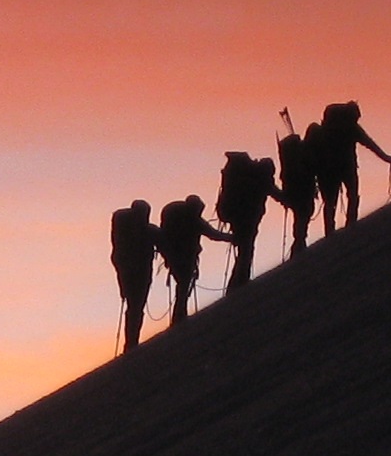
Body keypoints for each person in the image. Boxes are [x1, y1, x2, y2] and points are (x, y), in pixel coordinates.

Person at [314, 101, 391, 231]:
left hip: (329, 170)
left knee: (330, 202)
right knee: (352, 196)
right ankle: (351, 225)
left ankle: (330, 232)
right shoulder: (352, 128)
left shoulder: (326, 130)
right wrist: (386, 158)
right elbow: (370, 144)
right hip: (348, 167)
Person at [212, 150, 277, 295]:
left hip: (236, 216)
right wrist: (291, 201)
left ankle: (237, 285)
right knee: (246, 249)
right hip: (248, 218)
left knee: (244, 249)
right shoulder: (261, 178)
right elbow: (276, 194)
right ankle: (240, 284)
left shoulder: (243, 177)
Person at [153, 193, 215, 325]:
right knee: (184, 283)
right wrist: (232, 238)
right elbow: (214, 235)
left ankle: (179, 313)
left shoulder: (175, 217)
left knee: (182, 283)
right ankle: (180, 314)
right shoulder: (196, 221)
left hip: (173, 257)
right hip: (186, 257)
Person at [108, 200, 158, 349]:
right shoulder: (150, 231)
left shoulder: (123, 236)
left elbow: (116, 259)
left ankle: (131, 342)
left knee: (134, 307)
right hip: (140, 273)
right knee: (136, 307)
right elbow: (165, 244)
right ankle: (132, 342)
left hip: (129, 274)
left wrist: (122, 285)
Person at [274, 121, 321, 257]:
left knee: (300, 217)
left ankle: (299, 244)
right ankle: (299, 245)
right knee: (303, 216)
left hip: (293, 192)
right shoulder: (306, 152)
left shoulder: (298, 153)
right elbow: (312, 169)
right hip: (303, 192)